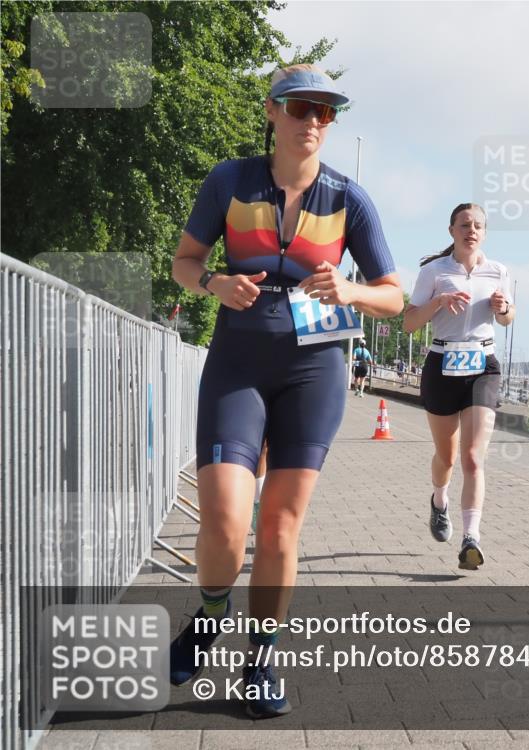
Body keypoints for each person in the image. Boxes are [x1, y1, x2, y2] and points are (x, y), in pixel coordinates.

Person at [168, 63, 402, 718]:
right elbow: (184, 262)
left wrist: (349, 289)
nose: (315, 122)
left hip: (314, 367)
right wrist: (213, 283)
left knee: (278, 530)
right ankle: (212, 613)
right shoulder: (229, 181)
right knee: (223, 518)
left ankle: (261, 658)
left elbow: (393, 294)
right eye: (302, 108)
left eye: (327, 113)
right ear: (272, 111)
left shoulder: (348, 198)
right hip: (238, 361)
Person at [403, 203, 514, 570]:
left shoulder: (498, 270)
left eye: (478, 225)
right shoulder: (434, 271)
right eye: (464, 224)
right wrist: (438, 301)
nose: (472, 230)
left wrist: (503, 308)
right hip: (442, 364)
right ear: (451, 230)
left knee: (472, 457)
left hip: (483, 365)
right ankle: (439, 501)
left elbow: (508, 318)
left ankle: (471, 538)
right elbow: (409, 322)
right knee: (447, 458)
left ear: (485, 231)